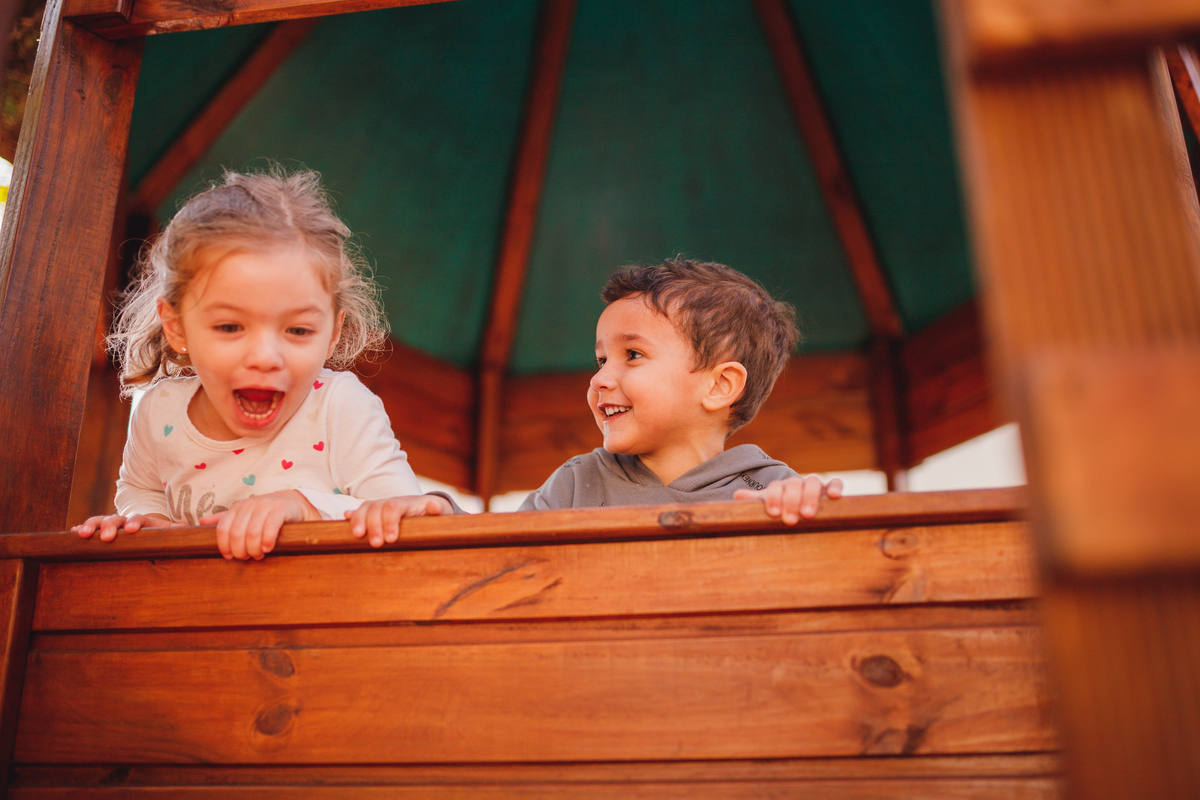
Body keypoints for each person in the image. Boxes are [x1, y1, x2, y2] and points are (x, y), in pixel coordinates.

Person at [73, 167, 447, 560]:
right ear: (176, 327)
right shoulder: (158, 411)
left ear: (333, 331)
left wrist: (303, 507)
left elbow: (407, 516)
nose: (266, 358)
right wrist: (145, 520)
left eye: (298, 331)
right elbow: (140, 488)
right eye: (231, 326)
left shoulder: (340, 408)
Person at [518, 258, 842, 520]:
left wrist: (812, 511)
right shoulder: (574, 486)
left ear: (719, 386)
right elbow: (496, 561)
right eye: (601, 360)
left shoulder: (773, 493)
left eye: (632, 355)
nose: (598, 379)